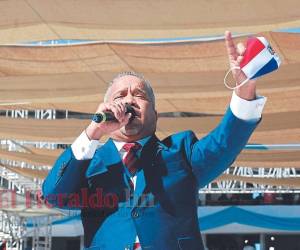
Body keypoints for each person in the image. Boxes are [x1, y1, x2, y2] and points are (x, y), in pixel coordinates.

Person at [42, 31, 267, 250]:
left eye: (139, 95)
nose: (129, 100)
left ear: (156, 115)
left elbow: (224, 144)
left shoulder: (181, 151)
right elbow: (54, 196)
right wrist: (94, 131)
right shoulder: (88, 164)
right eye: (120, 96)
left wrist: (245, 89)